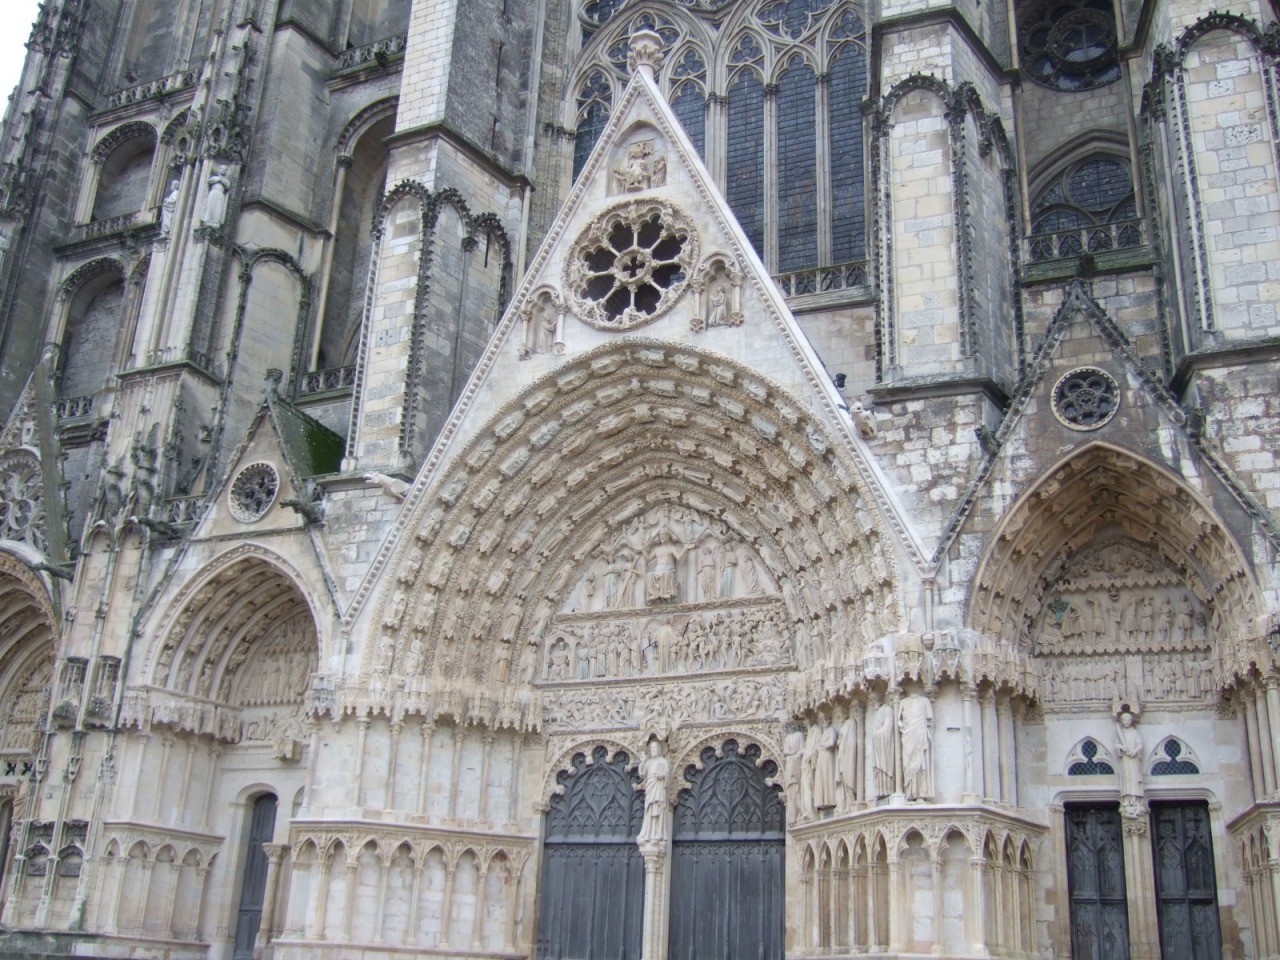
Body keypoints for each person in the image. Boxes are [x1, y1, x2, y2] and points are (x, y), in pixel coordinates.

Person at [637, 738, 669, 843]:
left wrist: (662, 776)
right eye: (651, 748)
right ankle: (648, 834)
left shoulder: (663, 761)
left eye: (655, 748)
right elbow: (642, 774)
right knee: (650, 809)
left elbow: (667, 774)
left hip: (659, 786)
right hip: (650, 787)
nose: (653, 750)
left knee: (658, 809)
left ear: (659, 749)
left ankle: (658, 834)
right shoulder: (649, 762)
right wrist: (642, 762)